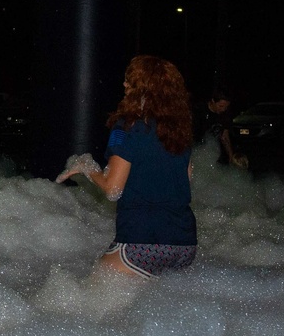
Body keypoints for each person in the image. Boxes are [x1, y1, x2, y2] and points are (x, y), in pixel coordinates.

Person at [56, 55, 197, 280]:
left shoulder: (125, 128)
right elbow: (185, 178)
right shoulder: (179, 132)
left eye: (129, 81)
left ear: (142, 89)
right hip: (184, 244)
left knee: (92, 303)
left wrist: (87, 167)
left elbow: (113, 190)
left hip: (141, 242)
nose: (124, 85)